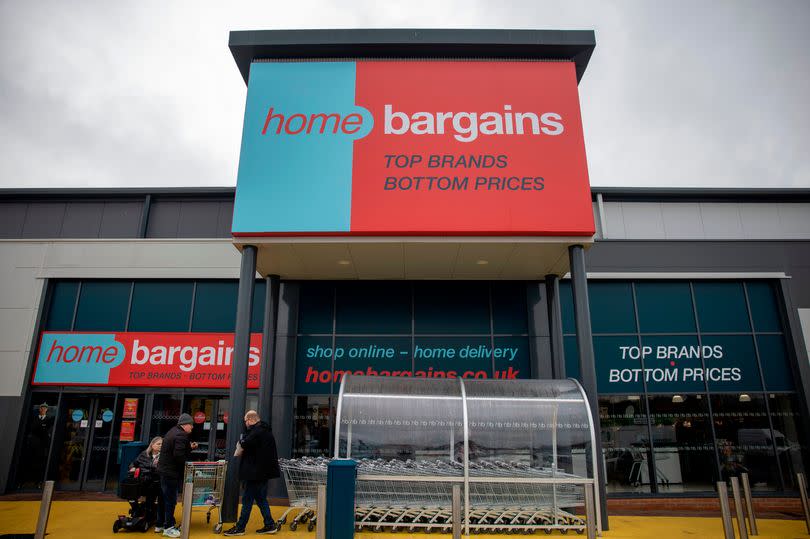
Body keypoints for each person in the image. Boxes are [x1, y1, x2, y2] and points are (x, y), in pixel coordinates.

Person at [223, 410, 281, 536]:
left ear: (251, 420)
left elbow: (244, 444)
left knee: (247, 500)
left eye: (246, 421)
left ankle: (240, 527)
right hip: (263, 472)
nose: (245, 424)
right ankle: (270, 524)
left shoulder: (256, 432)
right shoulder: (265, 431)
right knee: (261, 499)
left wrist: (242, 441)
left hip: (255, 473)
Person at [157, 413, 198, 538]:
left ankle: (160, 524)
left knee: (163, 499)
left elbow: (176, 450)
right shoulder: (181, 435)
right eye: (191, 425)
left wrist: (188, 448)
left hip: (164, 471)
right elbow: (178, 455)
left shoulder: (172, 431)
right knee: (170, 500)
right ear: (185, 425)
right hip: (171, 472)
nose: (192, 427)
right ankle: (169, 527)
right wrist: (188, 467)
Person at [130, 436, 165, 533]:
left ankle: (149, 514)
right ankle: (137, 511)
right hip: (142, 482)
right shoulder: (143, 455)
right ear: (152, 445)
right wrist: (132, 468)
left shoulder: (163, 456)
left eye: (162, 444)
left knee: (152, 490)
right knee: (130, 491)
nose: (160, 446)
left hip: (155, 483)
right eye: (158, 444)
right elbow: (134, 463)